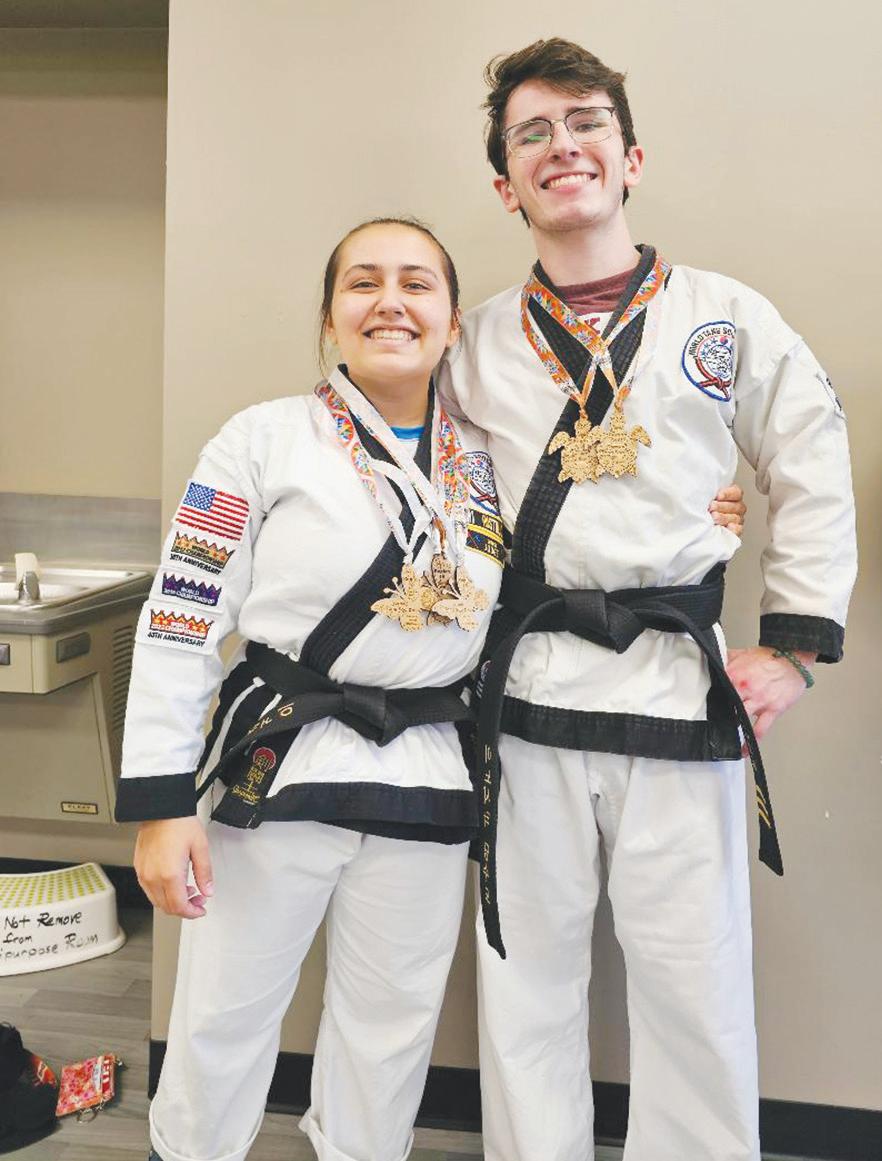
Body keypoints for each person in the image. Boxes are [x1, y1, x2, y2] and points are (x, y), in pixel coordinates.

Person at [119, 216, 745, 1161]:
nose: (391, 302)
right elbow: (180, 617)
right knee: (223, 1017)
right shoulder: (262, 440)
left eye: (417, 284)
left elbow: (602, 521)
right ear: (330, 317)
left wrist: (706, 514)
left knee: (392, 1028)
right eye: (363, 282)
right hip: (280, 760)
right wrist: (164, 804)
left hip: (425, 772)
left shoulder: (490, 457)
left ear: (453, 322)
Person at [437, 38, 857, 1161]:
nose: (562, 147)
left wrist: (792, 648)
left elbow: (811, 457)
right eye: (532, 133)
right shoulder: (476, 340)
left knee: (694, 981)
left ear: (631, 158)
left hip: (678, 683)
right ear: (506, 183)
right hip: (527, 690)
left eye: (586, 124)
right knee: (524, 979)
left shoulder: (725, 316)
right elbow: (439, 503)